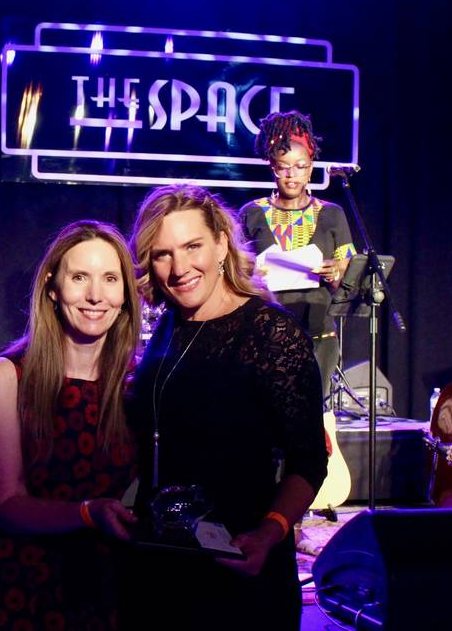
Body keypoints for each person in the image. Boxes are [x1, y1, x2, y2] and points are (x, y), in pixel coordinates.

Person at [123, 185, 327, 630]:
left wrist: (269, 533)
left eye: (192, 246)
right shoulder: (169, 327)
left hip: (238, 561)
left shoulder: (270, 333)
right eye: (162, 254)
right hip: (162, 562)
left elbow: (309, 462)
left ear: (221, 243)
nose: (179, 269)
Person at [0, 220, 140, 630]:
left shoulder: (135, 387)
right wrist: (87, 513)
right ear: (52, 288)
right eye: (79, 277)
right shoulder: (7, 376)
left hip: (97, 588)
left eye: (110, 279)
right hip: (10, 586)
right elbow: (8, 504)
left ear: (125, 296)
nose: (95, 295)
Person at [239, 110, 356, 401]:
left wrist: (336, 273)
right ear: (272, 167)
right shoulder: (251, 213)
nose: (292, 175)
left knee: (313, 412)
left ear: (311, 167)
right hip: (266, 332)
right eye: (283, 167)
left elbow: (349, 275)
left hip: (318, 333)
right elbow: (233, 273)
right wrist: (252, 276)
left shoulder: (332, 213)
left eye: (300, 166)